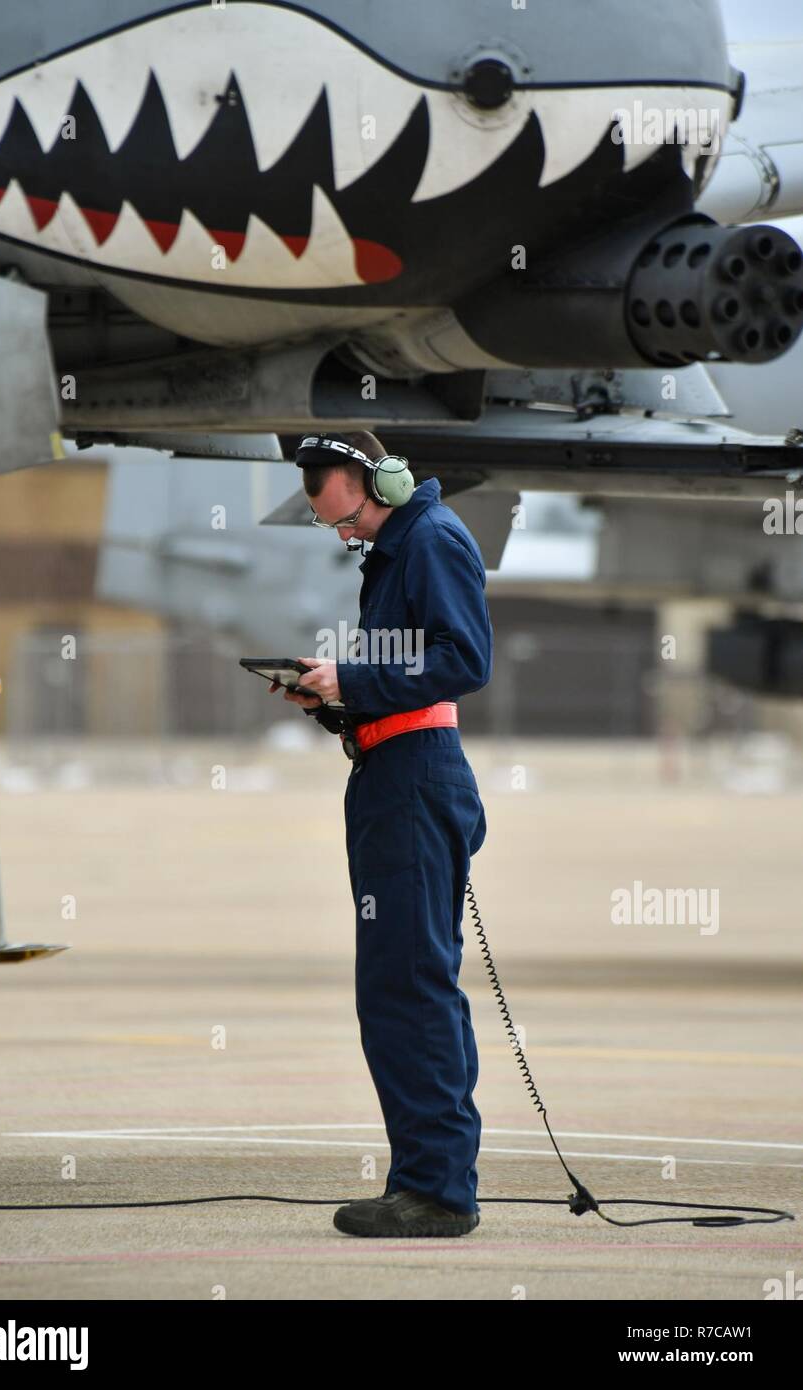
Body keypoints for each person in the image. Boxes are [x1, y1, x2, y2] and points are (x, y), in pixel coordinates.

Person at [270, 430, 493, 1237]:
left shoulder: (429, 539)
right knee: (404, 982)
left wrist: (356, 677)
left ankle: (436, 1192)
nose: (347, 535)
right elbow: (407, 672)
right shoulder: (397, 551)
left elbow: (466, 657)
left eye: (349, 517)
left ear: (385, 483)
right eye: (333, 527)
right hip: (392, 775)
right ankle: (431, 1179)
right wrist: (334, 697)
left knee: (406, 984)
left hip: (414, 782)